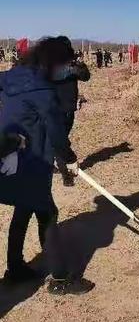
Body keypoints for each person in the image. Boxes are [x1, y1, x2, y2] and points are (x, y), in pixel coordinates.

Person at [0, 37, 94, 294]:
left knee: (23, 209)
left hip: (12, 158)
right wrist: (70, 159)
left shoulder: (10, 77)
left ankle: (15, 269)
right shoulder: (43, 91)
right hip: (33, 160)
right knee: (48, 214)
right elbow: (55, 132)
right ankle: (61, 280)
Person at [53, 37, 91, 186]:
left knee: (58, 141)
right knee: (58, 141)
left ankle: (59, 164)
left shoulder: (74, 62)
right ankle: (66, 173)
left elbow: (86, 77)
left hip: (68, 109)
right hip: (53, 109)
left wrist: (79, 66)